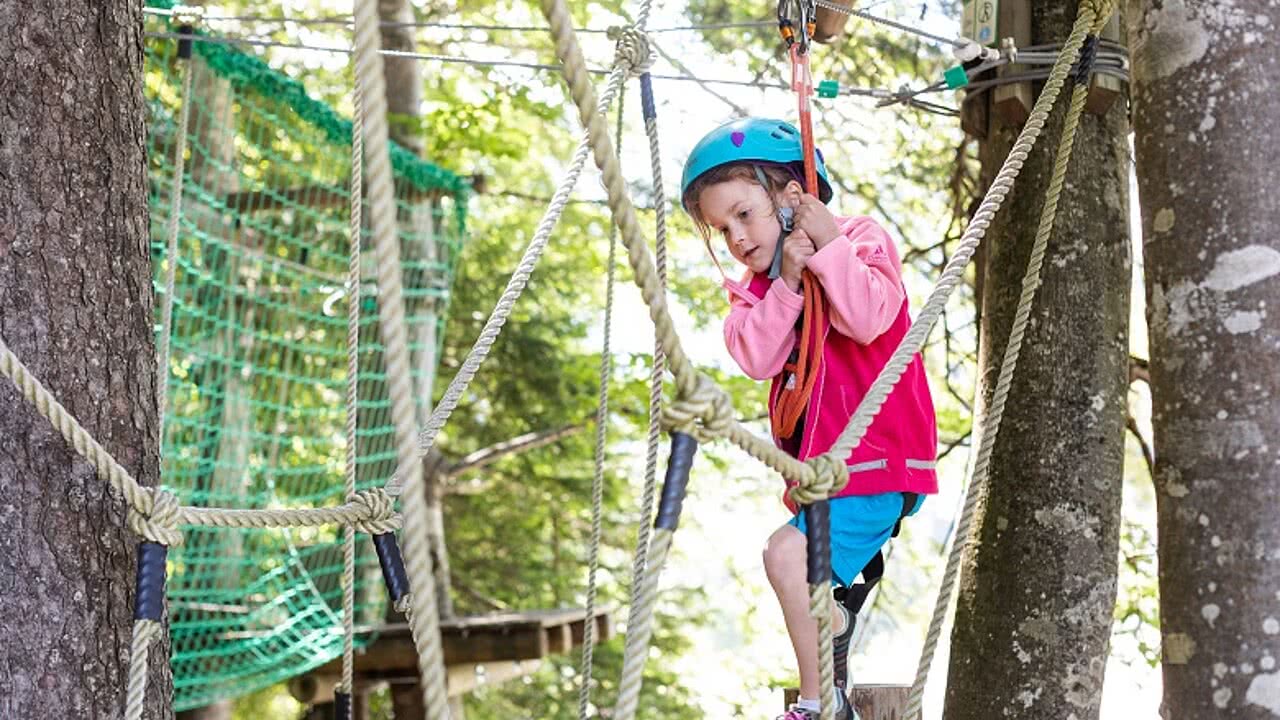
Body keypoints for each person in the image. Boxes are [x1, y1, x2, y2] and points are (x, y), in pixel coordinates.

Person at [680, 118, 938, 720]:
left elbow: (868, 317)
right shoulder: (756, 293)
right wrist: (788, 286)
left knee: (784, 557)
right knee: (799, 569)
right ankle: (836, 622)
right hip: (823, 475)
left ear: (792, 196)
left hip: (877, 461)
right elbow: (754, 355)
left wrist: (828, 248)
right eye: (724, 229)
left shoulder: (859, 239)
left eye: (744, 214)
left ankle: (822, 703)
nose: (737, 237)